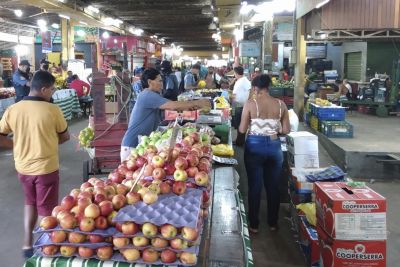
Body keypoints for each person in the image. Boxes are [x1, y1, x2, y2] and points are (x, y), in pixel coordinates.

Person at [0, 70, 70, 258]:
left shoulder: (13, 109)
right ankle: (42, 249)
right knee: (46, 210)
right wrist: (47, 140)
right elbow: (65, 136)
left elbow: (1, 137)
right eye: (52, 90)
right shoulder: (52, 110)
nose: (53, 93)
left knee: (30, 203)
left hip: (23, 168)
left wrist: (18, 145)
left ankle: (26, 244)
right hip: (46, 169)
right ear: (44, 89)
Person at [236, 74, 290, 233]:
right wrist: (274, 131)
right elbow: (286, 130)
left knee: (255, 186)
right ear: (268, 87)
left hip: (254, 147)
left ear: (255, 88)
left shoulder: (250, 103)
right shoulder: (281, 105)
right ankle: (273, 223)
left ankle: (254, 225)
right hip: (274, 147)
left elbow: (242, 129)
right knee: (273, 186)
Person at [120, 68, 211, 161]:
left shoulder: (153, 96)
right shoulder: (147, 95)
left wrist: (189, 111)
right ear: (150, 82)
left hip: (142, 146)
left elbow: (169, 113)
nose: (162, 84)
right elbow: (173, 106)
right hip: (132, 146)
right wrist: (198, 103)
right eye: (159, 81)